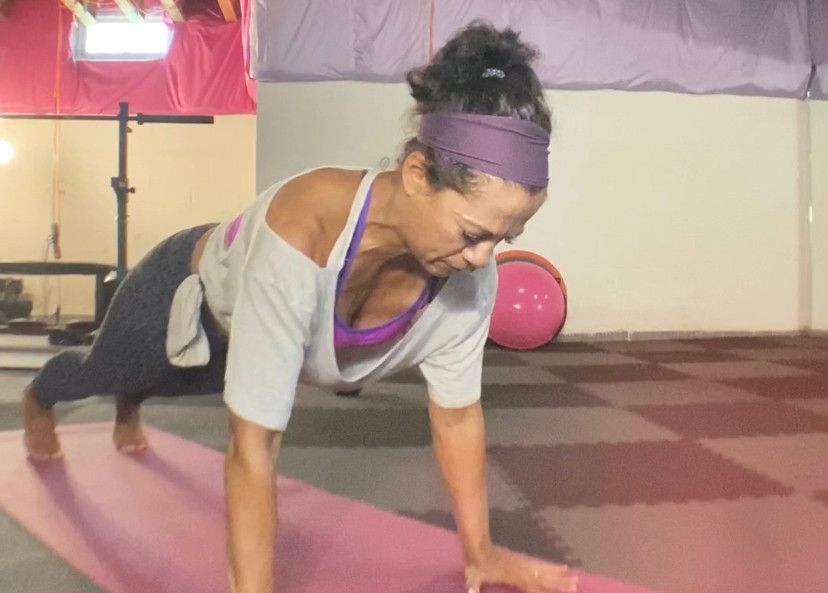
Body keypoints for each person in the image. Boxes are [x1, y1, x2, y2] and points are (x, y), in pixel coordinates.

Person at [21, 21, 577, 593]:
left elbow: (458, 416)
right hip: (180, 289)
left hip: (248, 333)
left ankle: (130, 404)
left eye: (502, 240)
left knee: (172, 383)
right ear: (416, 174)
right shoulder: (300, 236)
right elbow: (253, 449)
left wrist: (480, 554)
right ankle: (40, 398)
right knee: (107, 371)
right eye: (470, 232)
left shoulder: (467, 278)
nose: (482, 258)